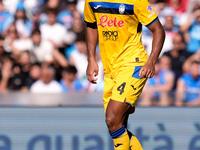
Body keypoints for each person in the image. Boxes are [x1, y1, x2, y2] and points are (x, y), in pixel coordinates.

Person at [84, 0, 165, 149]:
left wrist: (151, 61)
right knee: (117, 125)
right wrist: (91, 59)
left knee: (112, 119)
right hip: (110, 69)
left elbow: (158, 30)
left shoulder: (136, 1)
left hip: (133, 64)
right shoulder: (91, 1)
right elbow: (91, 25)